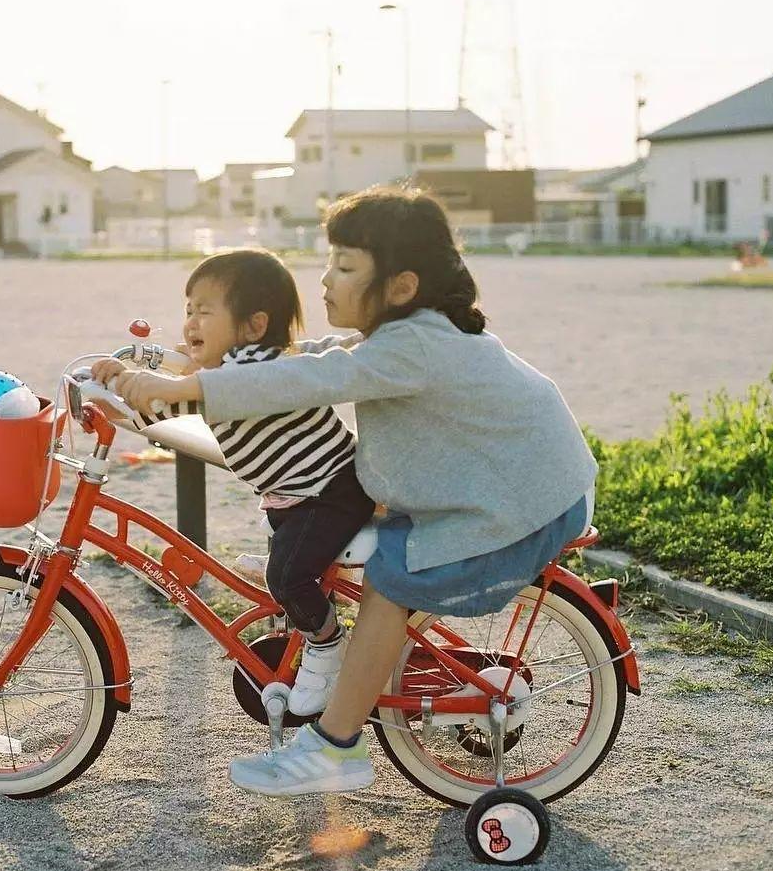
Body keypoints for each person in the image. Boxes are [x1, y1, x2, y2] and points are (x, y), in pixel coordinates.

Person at [109, 188, 598, 797]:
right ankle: (337, 683)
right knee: (374, 563)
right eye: (328, 263)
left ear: (399, 286)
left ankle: (335, 748)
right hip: (508, 487)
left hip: (527, 504)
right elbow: (307, 356)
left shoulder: (413, 344)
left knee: (392, 583)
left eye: (344, 267)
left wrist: (187, 389)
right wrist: (179, 372)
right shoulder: (406, 335)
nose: (324, 281)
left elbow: (312, 376)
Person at [90, 249, 374, 716]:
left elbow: (184, 395)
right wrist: (116, 387)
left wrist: (132, 386)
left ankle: (327, 646)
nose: (191, 323)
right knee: (286, 557)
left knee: (286, 575)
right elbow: (171, 398)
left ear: (254, 327)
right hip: (298, 495)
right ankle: (303, 590)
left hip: (330, 490)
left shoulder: (251, 372)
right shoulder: (225, 372)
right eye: (188, 311)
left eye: (205, 311)